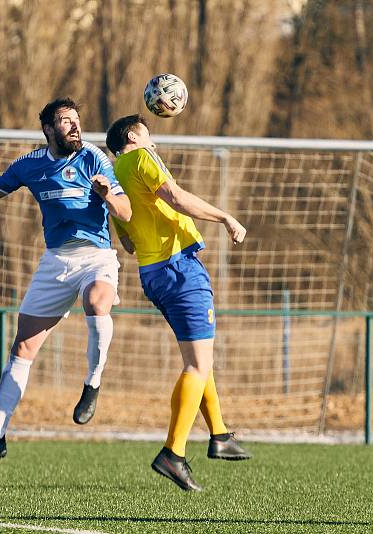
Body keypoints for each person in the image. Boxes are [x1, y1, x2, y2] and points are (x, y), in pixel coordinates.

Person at [0, 97, 132, 469]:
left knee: (97, 303)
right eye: (66, 121)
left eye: (77, 120)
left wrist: (106, 194)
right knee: (22, 349)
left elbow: (125, 211)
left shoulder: (94, 158)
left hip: (96, 257)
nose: (75, 127)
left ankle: (92, 383)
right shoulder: (30, 164)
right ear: (49, 129)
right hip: (55, 262)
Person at [105, 114, 251, 492]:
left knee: (200, 358)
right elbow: (177, 197)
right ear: (134, 136)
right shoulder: (141, 157)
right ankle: (173, 452)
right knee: (197, 364)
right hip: (179, 269)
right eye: (148, 134)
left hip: (153, 274)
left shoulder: (113, 177)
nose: (153, 140)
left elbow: (128, 242)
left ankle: (218, 434)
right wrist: (225, 217)